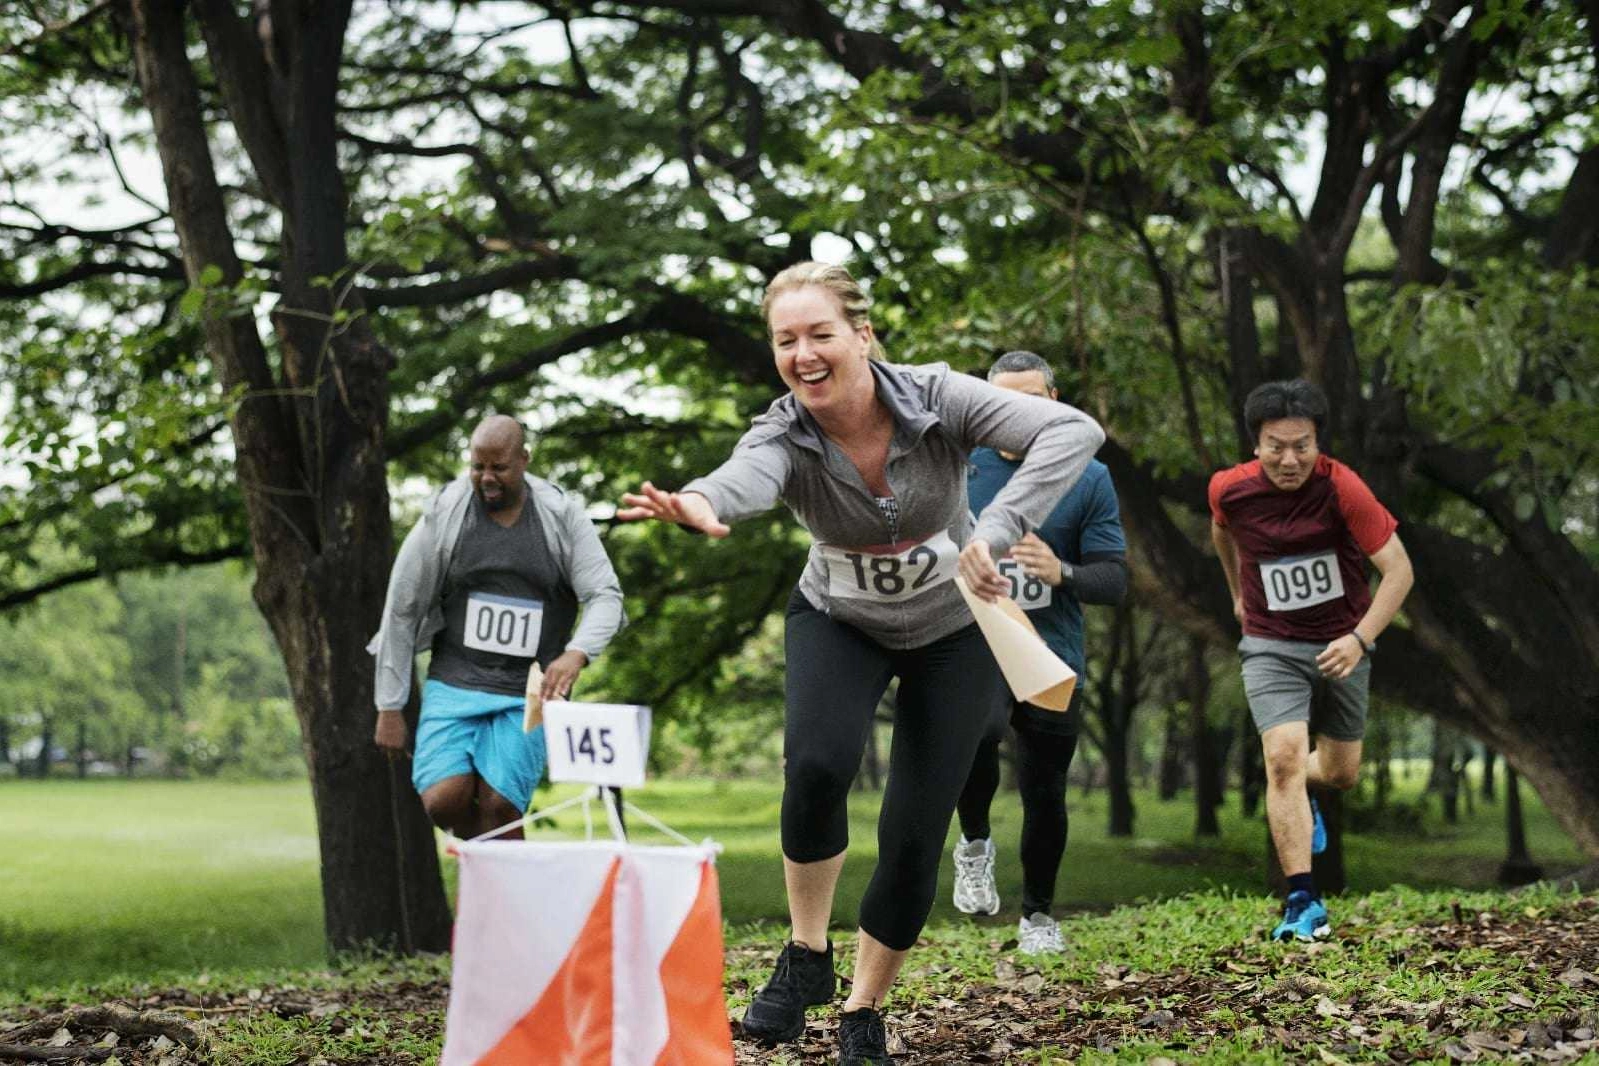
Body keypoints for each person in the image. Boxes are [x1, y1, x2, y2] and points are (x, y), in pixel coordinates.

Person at [618, 262, 1104, 1065]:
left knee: (913, 831)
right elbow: (742, 477)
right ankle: (806, 954)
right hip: (838, 618)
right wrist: (698, 501)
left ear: (862, 335)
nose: (803, 354)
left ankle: (862, 1010)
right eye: (785, 340)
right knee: (815, 765)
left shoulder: (936, 395)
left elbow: (1072, 432)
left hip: (955, 629)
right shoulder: (783, 431)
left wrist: (996, 526)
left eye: (820, 334)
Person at [1208, 380, 1413, 941]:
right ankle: (1303, 901)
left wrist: (1360, 639)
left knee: (1340, 774)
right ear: (1256, 444)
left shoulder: (1343, 488)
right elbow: (1222, 532)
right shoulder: (1229, 489)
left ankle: (1305, 795)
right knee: (1283, 759)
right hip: (1270, 642)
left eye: (1302, 446)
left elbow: (1399, 570)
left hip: (1341, 644)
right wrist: (1237, 593)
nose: (1290, 459)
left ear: (1318, 443)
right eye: (1276, 446)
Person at [370, 415, 626, 839]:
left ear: (524, 459)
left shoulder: (560, 515)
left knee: (501, 806)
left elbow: (605, 596)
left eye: (499, 468)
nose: (487, 478)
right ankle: (493, 865)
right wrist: (389, 706)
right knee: (442, 801)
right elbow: (402, 608)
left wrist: (576, 653)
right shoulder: (444, 514)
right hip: (455, 680)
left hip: (530, 688)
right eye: (478, 467)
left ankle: (500, 876)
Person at [949, 351, 1128, 955]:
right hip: (977, 641)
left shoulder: (1089, 475)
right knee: (977, 731)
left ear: (1054, 402)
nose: (1017, 414)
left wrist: (1062, 572)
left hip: (1051, 652)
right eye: (1003, 402)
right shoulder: (961, 466)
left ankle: (1038, 916)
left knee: (1044, 787)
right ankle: (975, 842)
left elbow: (1114, 579)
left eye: (1030, 400)